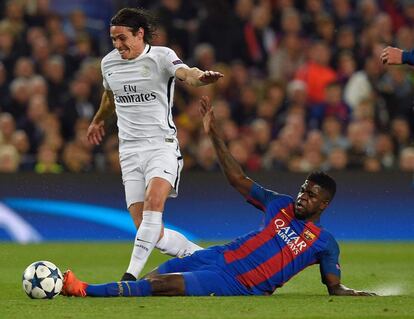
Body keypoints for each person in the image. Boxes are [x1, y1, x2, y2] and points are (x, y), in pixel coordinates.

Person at [62, 96, 376, 297]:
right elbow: (237, 178)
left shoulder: (324, 243)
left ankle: (84, 289)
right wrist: (214, 134)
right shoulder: (279, 203)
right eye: (303, 189)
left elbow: (334, 288)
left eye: (311, 195)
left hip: (241, 284)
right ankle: (110, 294)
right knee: (156, 278)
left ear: (324, 204)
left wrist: (361, 294)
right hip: (218, 256)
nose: (303, 196)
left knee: (163, 286)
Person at [86, 8, 223, 281]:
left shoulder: (161, 56)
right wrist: (98, 120)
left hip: (161, 146)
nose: (117, 45)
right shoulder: (109, 63)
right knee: (148, 231)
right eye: (113, 39)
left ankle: (130, 276)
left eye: (122, 38)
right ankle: (208, 259)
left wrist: (200, 78)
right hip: (128, 151)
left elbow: (186, 73)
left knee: (154, 202)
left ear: (139, 34)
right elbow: (110, 95)